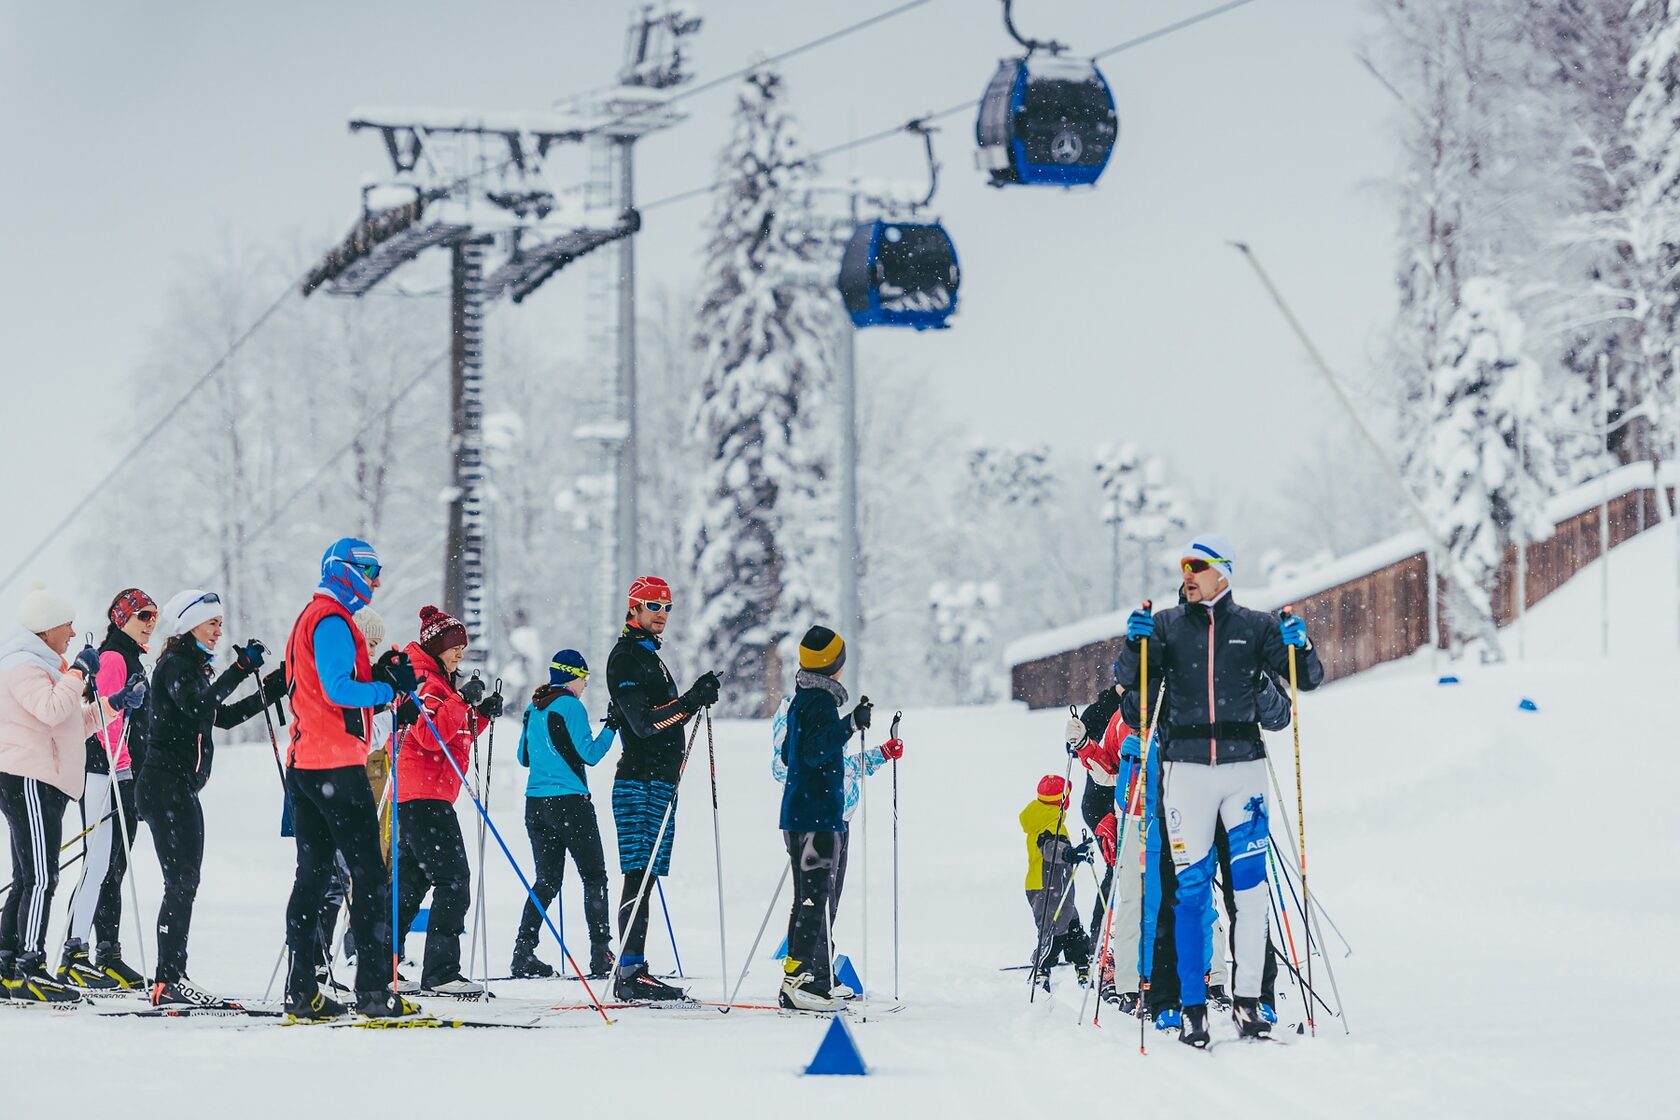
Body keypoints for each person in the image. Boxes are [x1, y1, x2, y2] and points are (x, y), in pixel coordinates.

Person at [1115, 532, 1324, 1046]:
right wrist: (1133, 646)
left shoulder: (1254, 626)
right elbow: (1130, 689)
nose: (1187, 574)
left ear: (1222, 573)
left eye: (1197, 565)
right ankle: (1191, 1008)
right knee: (1189, 896)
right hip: (1185, 773)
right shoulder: (1165, 626)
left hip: (1243, 771)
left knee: (1250, 894)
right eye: (1184, 566)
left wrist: (1302, 645)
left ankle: (1251, 1004)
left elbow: (1307, 678)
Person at [282, 538, 420, 1021]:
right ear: (344, 570)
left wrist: (379, 675)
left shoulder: (313, 616)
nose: (377, 580)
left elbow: (326, 684)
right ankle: (374, 992)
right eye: (370, 569)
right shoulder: (332, 619)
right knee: (370, 874)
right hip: (334, 766)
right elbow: (340, 689)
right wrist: (390, 689)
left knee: (314, 876)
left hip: (308, 764)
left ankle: (302, 991)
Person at [136, 588, 281, 1008]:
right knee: (181, 881)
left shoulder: (192, 667)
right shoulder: (175, 666)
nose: (220, 631)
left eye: (220, 623)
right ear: (188, 625)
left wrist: (273, 690)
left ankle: (170, 976)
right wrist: (239, 668)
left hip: (176, 786)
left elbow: (224, 716)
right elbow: (201, 704)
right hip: (165, 784)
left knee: (184, 881)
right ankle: (169, 978)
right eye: (212, 623)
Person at [0, 583, 117, 1005]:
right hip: (28, 777)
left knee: (29, 875)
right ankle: (29, 966)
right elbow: (51, 708)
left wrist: (114, 704)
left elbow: (70, 724)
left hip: (46, 780)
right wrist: (78, 673)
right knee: (41, 876)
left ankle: (8, 963)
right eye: (66, 625)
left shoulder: (49, 667)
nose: (71, 633)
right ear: (46, 628)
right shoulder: (21, 665)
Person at [604, 575, 719, 1004]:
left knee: (647, 876)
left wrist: (694, 700)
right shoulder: (626, 658)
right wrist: (690, 700)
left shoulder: (650, 657)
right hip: (639, 780)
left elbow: (665, 719)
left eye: (668, 607)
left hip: (659, 781)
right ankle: (629, 972)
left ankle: (636, 968)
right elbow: (644, 723)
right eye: (653, 606)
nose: (662, 615)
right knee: (638, 873)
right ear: (633, 608)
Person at [770, 626, 902, 984]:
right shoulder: (818, 703)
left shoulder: (806, 700)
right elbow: (804, 756)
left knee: (818, 902)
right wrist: (848, 725)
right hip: (817, 816)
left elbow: (810, 755)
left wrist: (878, 755)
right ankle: (806, 977)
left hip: (819, 815)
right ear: (835, 664)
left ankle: (817, 973)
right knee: (816, 901)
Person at [393, 605, 500, 996]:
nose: (459, 653)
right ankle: (440, 972)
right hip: (425, 792)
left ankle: (380, 962)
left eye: (462, 647)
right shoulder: (424, 679)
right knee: (454, 880)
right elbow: (426, 733)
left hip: (427, 791)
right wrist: (462, 703)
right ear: (435, 646)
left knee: (412, 882)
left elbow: (454, 735)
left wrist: (481, 713)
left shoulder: (439, 680)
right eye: (453, 646)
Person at [57, 588, 155, 990]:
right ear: (121, 619)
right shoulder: (115, 656)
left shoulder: (129, 655)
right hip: (105, 770)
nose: (150, 622)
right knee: (99, 863)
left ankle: (106, 953)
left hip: (122, 770)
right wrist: (124, 763)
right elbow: (107, 718)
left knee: (112, 865)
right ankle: (74, 952)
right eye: (143, 615)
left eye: (153, 615)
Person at [511, 648, 617, 980]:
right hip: (570, 803)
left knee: (546, 881)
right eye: (584, 678)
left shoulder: (534, 706)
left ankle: (523, 952)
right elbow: (591, 755)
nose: (585, 685)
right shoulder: (571, 705)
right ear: (573, 676)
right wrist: (613, 726)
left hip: (535, 805)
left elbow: (523, 757)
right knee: (594, 877)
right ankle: (601, 955)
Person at [1018, 773, 1094, 992]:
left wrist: (1077, 853)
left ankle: (1081, 962)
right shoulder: (1048, 820)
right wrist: (1070, 853)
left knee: (1072, 924)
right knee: (1054, 930)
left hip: (1057, 886)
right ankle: (1041, 968)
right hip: (1046, 886)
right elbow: (1051, 848)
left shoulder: (1047, 815)